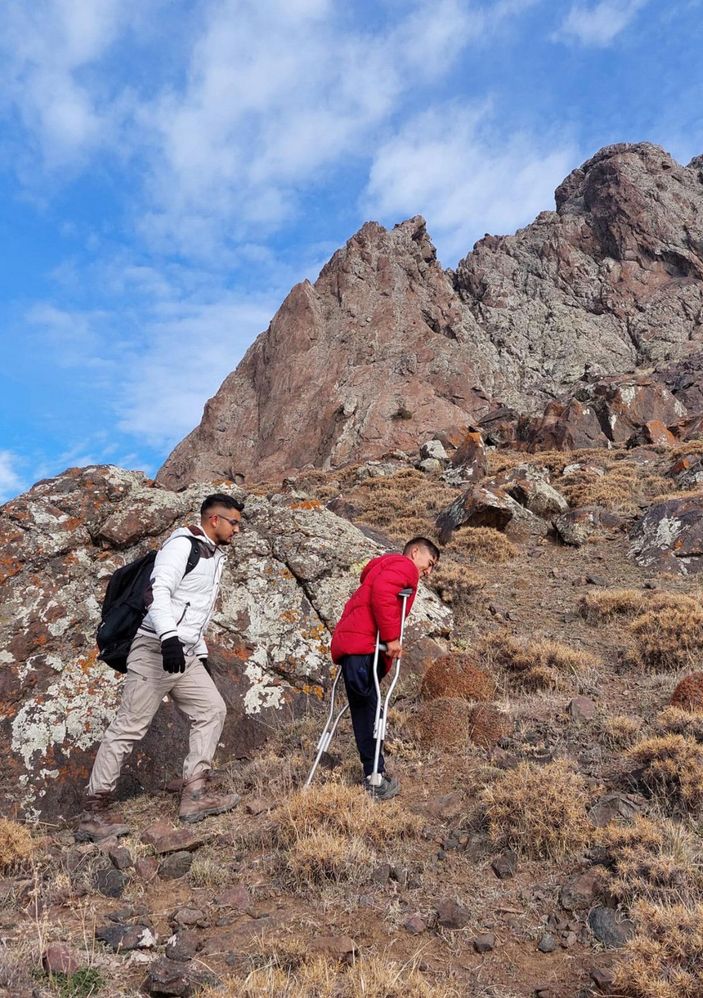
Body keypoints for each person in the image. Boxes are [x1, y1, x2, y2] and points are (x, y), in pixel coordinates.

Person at [77, 494, 244, 841]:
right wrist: (168, 638)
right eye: (234, 523)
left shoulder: (214, 556)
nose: (237, 529)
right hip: (155, 649)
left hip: (183, 653)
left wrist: (198, 652)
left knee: (212, 709)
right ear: (214, 520)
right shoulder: (182, 546)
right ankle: (93, 812)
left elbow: (193, 611)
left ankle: (195, 795)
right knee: (129, 728)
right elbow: (159, 592)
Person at [330, 537, 439, 800]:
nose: (429, 571)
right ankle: (374, 778)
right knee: (369, 707)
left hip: (352, 647)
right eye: (430, 563)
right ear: (415, 552)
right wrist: (392, 638)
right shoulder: (404, 567)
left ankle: (374, 773)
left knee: (365, 707)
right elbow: (382, 591)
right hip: (364, 647)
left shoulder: (383, 566)